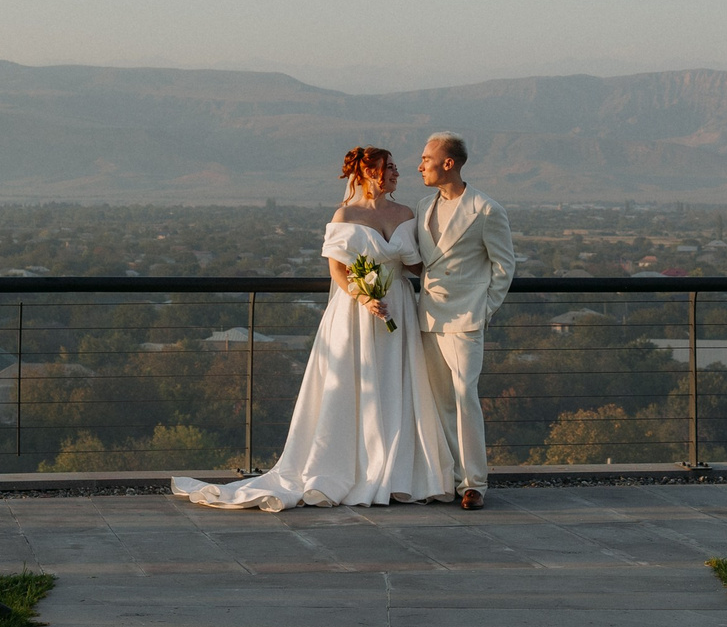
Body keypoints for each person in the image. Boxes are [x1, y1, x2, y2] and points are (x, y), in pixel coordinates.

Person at [173, 146, 454, 510]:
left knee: (396, 382)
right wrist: (363, 295)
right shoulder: (345, 214)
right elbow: (337, 268)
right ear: (369, 173)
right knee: (354, 383)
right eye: (390, 168)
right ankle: (346, 466)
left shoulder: (406, 213)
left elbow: (417, 266)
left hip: (398, 305)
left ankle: (397, 471)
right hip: (355, 310)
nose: (398, 173)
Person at [411, 131, 514, 510]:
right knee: (440, 402)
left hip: (466, 319)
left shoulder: (486, 209)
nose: (420, 165)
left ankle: (474, 483)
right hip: (429, 316)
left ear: (448, 163)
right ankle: (449, 479)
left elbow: (504, 267)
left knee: (465, 398)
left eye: (426, 158)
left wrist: (482, 310)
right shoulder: (423, 206)